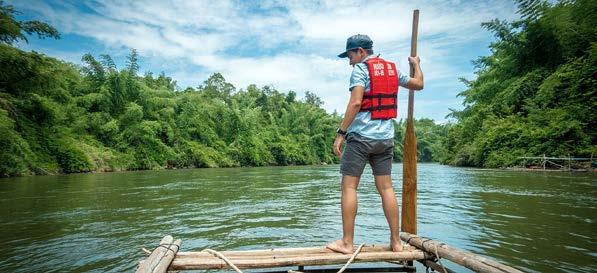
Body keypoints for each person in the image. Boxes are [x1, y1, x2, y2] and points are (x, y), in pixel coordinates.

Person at [327, 34, 424, 254]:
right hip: (385, 139)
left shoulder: (360, 70)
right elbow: (418, 84)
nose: (349, 60)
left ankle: (347, 243)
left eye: (350, 55)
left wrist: (341, 133)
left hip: (361, 139)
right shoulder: (392, 69)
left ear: (361, 52)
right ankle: (396, 243)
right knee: (386, 188)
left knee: (349, 187)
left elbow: (356, 102)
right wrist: (417, 65)